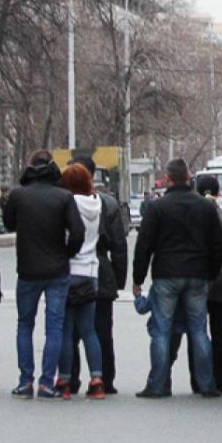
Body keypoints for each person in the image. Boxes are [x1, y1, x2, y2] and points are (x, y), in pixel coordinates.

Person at [133, 158, 222, 399]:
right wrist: (212, 274)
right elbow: (217, 245)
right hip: (197, 274)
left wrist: (138, 278)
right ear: (188, 177)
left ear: (168, 179)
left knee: (161, 331)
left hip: (166, 273)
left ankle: (157, 384)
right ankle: (207, 384)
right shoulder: (205, 207)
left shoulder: (158, 208)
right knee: (199, 330)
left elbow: (144, 245)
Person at [3, 150, 85, 399]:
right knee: (55, 326)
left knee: (24, 324)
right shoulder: (64, 197)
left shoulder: (18, 195)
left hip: (28, 269)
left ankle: (25, 381)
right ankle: (47, 382)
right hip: (57, 269)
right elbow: (78, 232)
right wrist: (67, 253)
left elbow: (8, 224)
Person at [66, 155, 129, 395]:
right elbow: (119, 245)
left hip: (72, 268)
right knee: (102, 330)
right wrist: (119, 279)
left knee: (71, 330)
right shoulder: (108, 204)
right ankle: (105, 378)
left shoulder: (65, 202)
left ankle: (70, 378)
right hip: (101, 271)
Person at [55, 164, 105, 400]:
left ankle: (64, 380)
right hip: (90, 271)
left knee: (66, 331)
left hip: (68, 269)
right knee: (89, 330)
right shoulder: (97, 204)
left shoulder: (67, 204)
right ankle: (97, 380)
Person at [196, 173, 222, 395]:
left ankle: (198, 378)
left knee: (197, 331)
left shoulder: (192, 215)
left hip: (197, 278)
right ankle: (220, 380)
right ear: (219, 193)